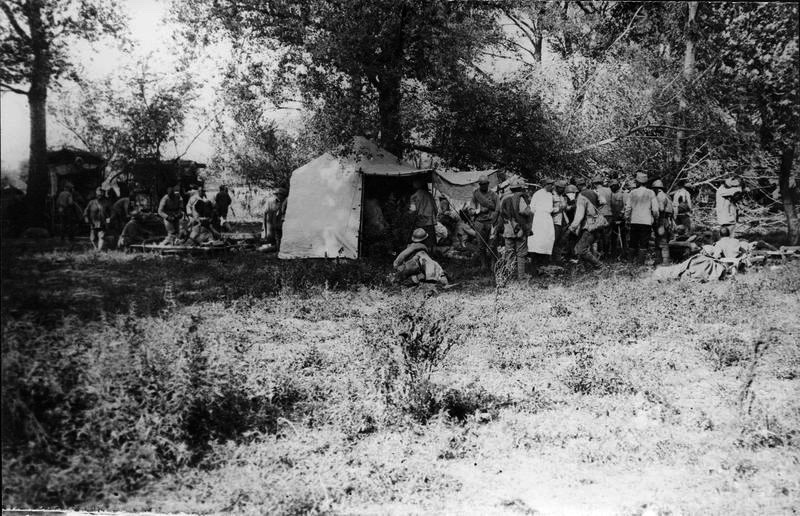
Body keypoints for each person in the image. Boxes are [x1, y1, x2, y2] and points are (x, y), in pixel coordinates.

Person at [497, 178, 532, 280]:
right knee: (521, 253)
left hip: (508, 229)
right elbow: (525, 212)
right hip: (519, 229)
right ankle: (521, 277)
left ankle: (508, 276)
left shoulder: (503, 198)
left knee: (509, 253)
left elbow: (500, 213)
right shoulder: (520, 198)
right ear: (520, 188)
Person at [625, 172, 659, 264]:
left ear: (637, 182)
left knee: (633, 241)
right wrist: (655, 218)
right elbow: (655, 209)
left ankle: (630, 261)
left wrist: (627, 218)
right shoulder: (651, 193)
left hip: (634, 220)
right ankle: (640, 263)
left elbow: (628, 208)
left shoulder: (632, 193)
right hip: (646, 221)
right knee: (644, 243)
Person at [568, 183, 604, 269]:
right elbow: (603, 202)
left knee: (581, 250)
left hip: (588, 225)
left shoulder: (581, 197)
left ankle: (600, 266)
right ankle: (584, 267)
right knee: (585, 247)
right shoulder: (593, 193)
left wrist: (572, 228)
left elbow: (579, 216)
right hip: (596, 223)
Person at [469, 175, 499, 271]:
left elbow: (498, 209)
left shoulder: (494, 195)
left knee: (493, 244)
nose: (484, 185)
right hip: (479, 223)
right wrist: (479, 211)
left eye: (485, 184)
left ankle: (493, 265)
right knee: (481, 245)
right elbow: (471, 210)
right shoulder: (476, 195)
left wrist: (494, 220)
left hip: (491, 222)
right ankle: (483, 265)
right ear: (479, 184)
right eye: (482, 184)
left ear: (488, 183)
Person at [528, 178, 556, 266]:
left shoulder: (550, 195)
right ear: (546, 185)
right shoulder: (538, 194)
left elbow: (550, 208)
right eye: (550, 185)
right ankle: (535, 261)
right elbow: (532, 208)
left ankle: (544, 261)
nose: (552, 186)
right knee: (538, 238)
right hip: (539, 219)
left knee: (548, 238)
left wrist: (556, 209)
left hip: (547, 219)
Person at [409, 178, 437, 250]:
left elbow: (413, 211)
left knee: (420, 240)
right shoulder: (430, 195)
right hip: (430, 221)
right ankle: (431, 254)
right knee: (431, 241)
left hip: (420, 222)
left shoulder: (414, 197)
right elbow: (435, 209)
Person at [652, 179, 674, 265]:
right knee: (660, 240)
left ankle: (665, 261)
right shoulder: (667, 196)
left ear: (657, 188)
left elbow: (661, 209)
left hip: (661, 220)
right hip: (667, 220)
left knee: (662, 241)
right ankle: (659, 260)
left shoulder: (660, 196)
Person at [593, 175, 614, 257]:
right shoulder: (609, 190)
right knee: (607, 235)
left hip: (600, 215)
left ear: (595, 184)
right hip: (609, 214)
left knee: (599, 235)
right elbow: (612, 202)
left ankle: (600, 253)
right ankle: (606, 253)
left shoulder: (595, 191)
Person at [609, 179, 628, 259]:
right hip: (613, 218)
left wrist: (622, 214)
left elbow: (626, 205)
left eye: (613, 186)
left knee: (623, 237)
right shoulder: (610, 194)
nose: (612, 187)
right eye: (611, 186)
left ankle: (624, 254)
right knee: (613, 237)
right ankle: (613, 254)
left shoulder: (623, 194)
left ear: (617, 185)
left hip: (621, 218)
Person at [551, 180, 568, 263]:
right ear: (557, 187)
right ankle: (552, 259)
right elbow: (549, 209)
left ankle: (558, 258)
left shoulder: (562, 196)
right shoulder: (551, 195)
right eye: (562, 188)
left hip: (563, 220)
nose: (563, 190)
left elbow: (565, 207)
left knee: (561, 241)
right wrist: (559, 209)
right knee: (554, 240)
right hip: (555, 221)